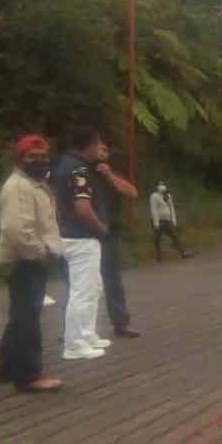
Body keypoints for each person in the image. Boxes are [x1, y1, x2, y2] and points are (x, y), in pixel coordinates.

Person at [0, 135, 63, 392]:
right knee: (27, 320)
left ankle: (7, 369)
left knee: (20, 317)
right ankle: (28, 376)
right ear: (20, 159)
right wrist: (41, 252)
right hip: (26, 260)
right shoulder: (19, 186)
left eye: (43, 156)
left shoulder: (35, 184)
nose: (39, 161)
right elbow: (16, 228)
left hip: (30, 259)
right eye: (32, 157)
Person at [50, 127, 111, 360]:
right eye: (98, 144)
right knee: (82, 292)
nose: (100, 148)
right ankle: (74, 343)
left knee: (93, 288)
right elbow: (83, 209)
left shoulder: (61, 164)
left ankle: (87, 333)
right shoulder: (79, 169)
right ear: (89, 145)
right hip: (81, 238)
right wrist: (100, 228)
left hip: (70, 234)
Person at [92, 142, 140, 339]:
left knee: (112, 279)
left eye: (104, 149)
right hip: (86, 235)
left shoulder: (112, 176)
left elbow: (132, 193)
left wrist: (109, 176)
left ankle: (120, 323)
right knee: (81, 283)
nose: (102, 152)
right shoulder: (81, 172)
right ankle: (76, 328)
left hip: (110, 234)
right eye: (98, 148)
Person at [150, 181, 193, 262]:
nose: (162, 186)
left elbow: (171, 208)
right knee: (157, 239)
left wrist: (174, 220)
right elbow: (154, 210)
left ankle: (183, 253)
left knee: (175, 236)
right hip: (158, 220)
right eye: (160, 185)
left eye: (163, 184)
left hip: (167, 221)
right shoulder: (154, 196)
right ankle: (159, 256)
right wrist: (156, 223)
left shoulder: (168, 196)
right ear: (156, 186)